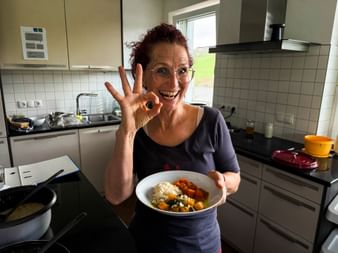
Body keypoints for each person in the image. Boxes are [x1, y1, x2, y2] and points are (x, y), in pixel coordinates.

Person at [104, 23, 240, 253]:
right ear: (143, 75)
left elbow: (234, 177)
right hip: (148, 242)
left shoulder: (212, 121)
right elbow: (116, 196)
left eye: (182, 70)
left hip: (203, 244)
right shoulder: (136, 127)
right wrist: (127, 131)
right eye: (162, 70)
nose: (174, 83)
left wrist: (223, 184)